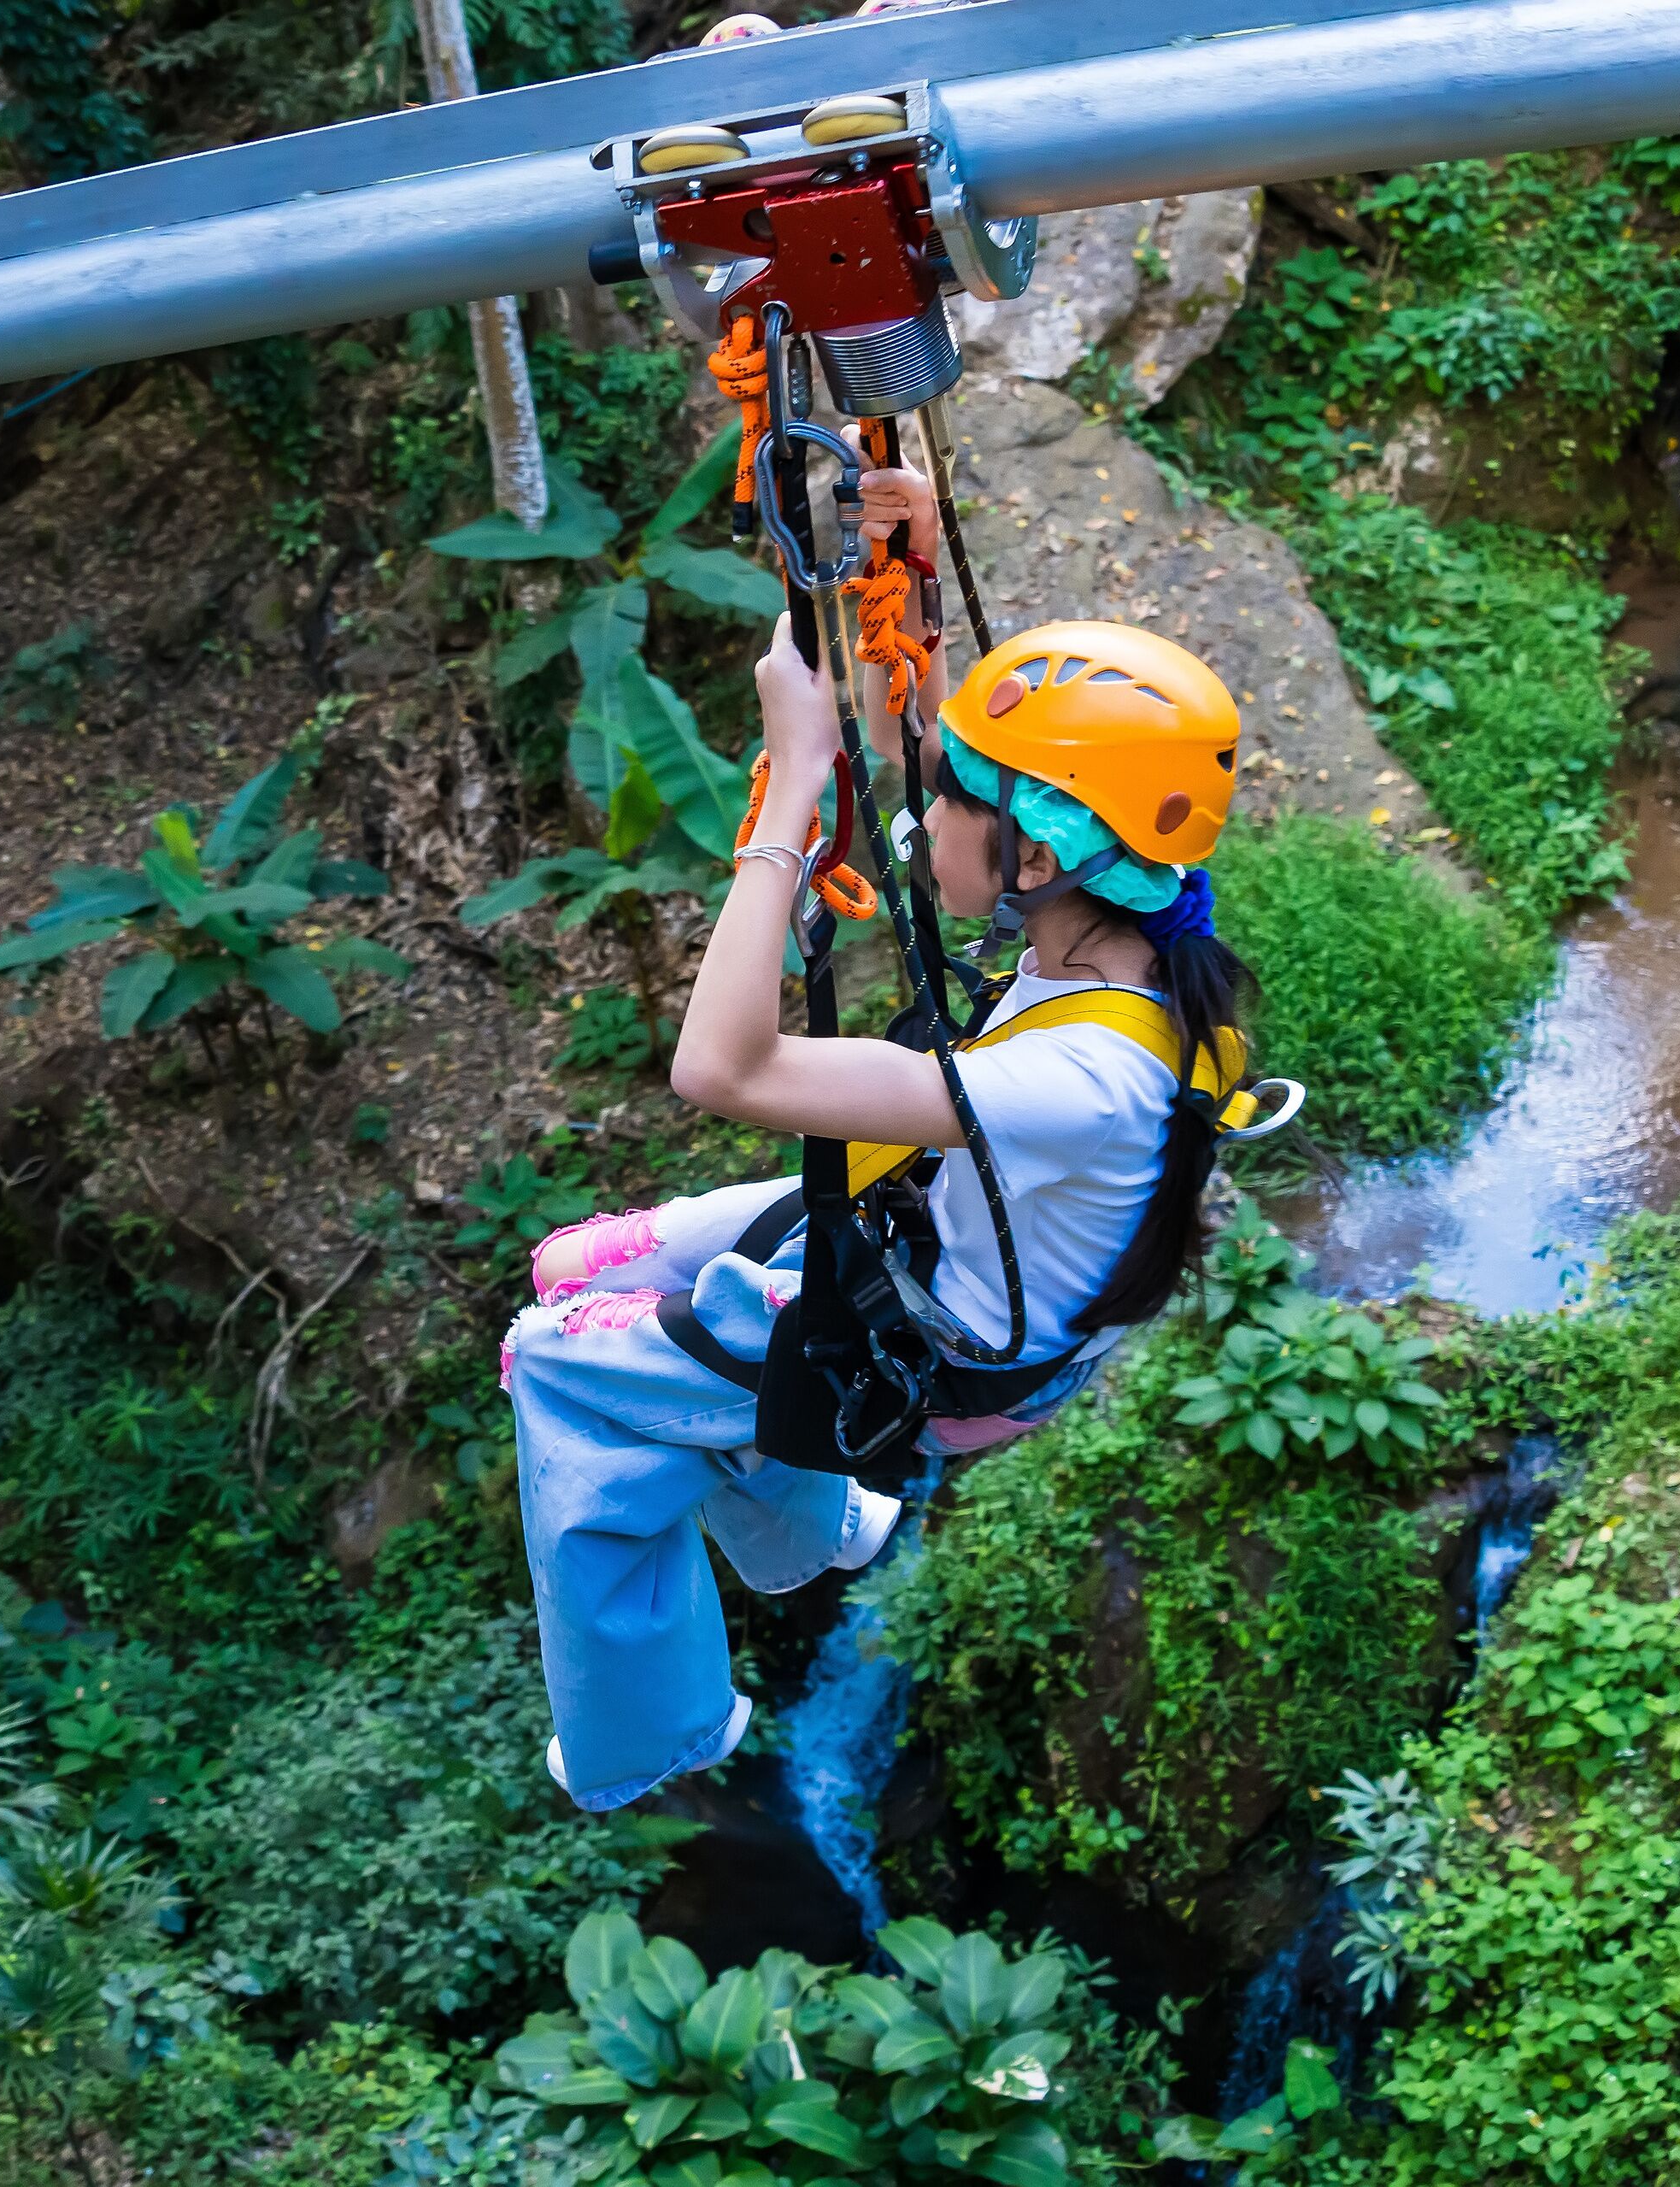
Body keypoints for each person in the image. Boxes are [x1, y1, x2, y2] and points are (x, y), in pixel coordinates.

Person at [501, 464, 1264, 1812]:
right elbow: (927, 748)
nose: (927, 793)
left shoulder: (1084, 1077)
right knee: (577, 1264)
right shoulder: (1127, 925)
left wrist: (791, 790)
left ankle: (647, 1729)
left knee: (553, 1361)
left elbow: (720, 1066)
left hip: (945, 1355)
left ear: (1038, 861)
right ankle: (819, 1514)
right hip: (924, 1247)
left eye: (963, 791)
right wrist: (889, 587)